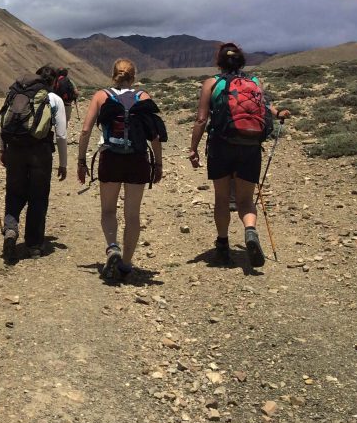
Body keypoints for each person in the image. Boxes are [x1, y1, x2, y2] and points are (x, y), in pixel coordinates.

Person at [188, 43, 290, 267]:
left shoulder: (211, 83)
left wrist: (193, 148)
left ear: (219, 62)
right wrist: (278, 112)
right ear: (242, 61)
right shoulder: (254, 83)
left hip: (220, 147)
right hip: (250, 146)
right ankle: (250, 231)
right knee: (245, 200)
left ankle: (223, 245)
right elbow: (264, 106)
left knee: (222, 199)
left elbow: (201, 120)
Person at [76, 59, 166, 280]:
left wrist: (81, 161)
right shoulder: (143, 97)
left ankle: (113, 247)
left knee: (108, 210)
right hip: (138, 159)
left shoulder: (101, 96)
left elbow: (86, 130)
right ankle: (126, 265)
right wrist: (158, 164)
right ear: (133, 77)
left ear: (112, 75)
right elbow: (154, 135)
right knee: (132, 214)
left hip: (111, 158)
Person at [0, 65, 68, 263]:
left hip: (15, 150)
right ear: (54, 82)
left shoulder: (17, 94)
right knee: (38, 197)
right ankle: (34, 245)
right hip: (40, 153)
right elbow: (61, 135)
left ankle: (11, 230)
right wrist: (63, 163)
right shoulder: (54, 99)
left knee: (14, 193)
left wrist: (3, 150)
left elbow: (4, 122)